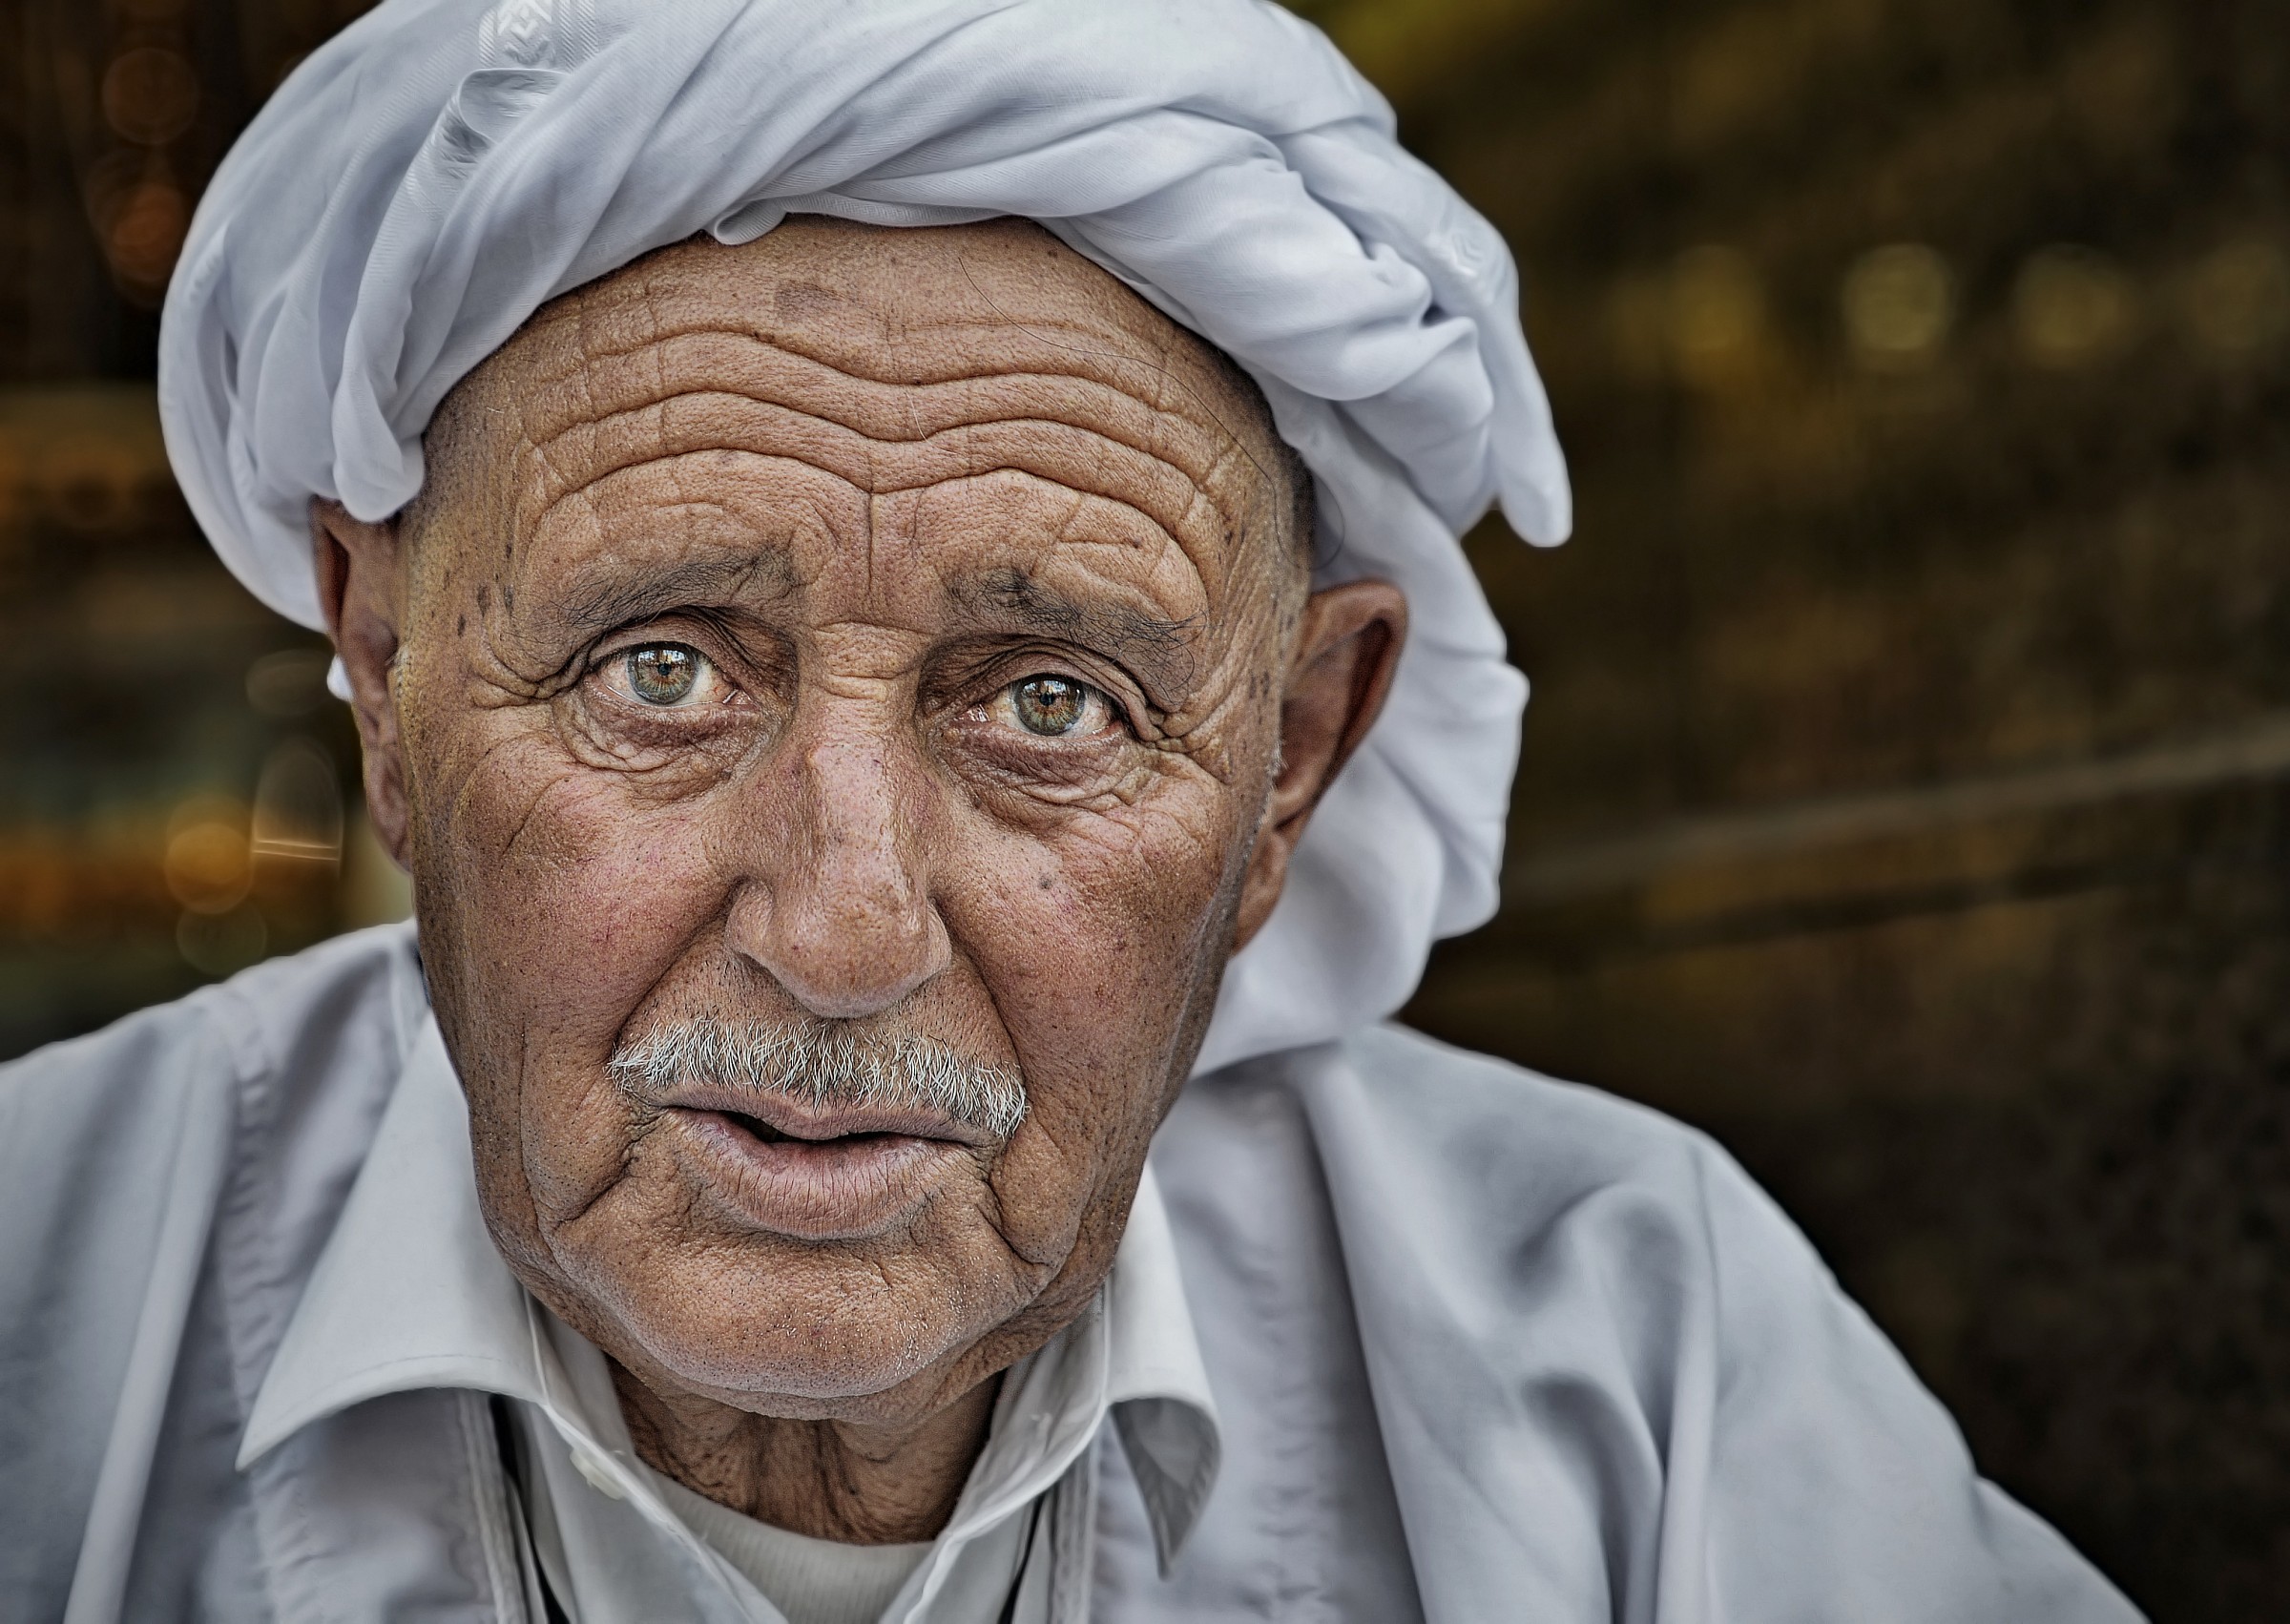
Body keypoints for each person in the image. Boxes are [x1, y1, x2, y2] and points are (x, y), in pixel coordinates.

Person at [2, 2, 2142, 1620]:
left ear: (1295, 755)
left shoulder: (1628, 1367)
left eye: (1050, 700)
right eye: (661, 671)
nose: (845, 931)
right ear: (383, 675)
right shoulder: (37, 1298)